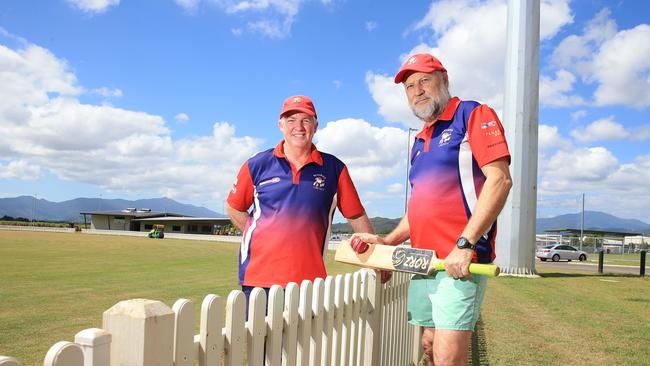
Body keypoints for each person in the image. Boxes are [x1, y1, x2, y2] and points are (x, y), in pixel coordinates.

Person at [352, 53, 512, 366]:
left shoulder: (473, 114)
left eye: (425, 80)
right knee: (428, 345)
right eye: (410, 86)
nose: (418, 90)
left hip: (459, 262)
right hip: (424, 263)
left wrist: (464, 245)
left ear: (444, 80)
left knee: (447, 357)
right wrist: (387, 241)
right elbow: (419, 209)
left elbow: (500, 180)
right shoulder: (419, 140)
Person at [226, 95, 378, 309]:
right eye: (291, 120)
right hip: (258, 280)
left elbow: (356, 215)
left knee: (303, 343)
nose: (298, 126)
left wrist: (377, 258)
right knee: (260, 343)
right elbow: (233, 207)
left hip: (309, 282)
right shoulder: (257, 164)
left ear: (316, 125)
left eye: (306, 120)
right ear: (280, 125)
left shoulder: (335, 169)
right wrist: (260, 234)